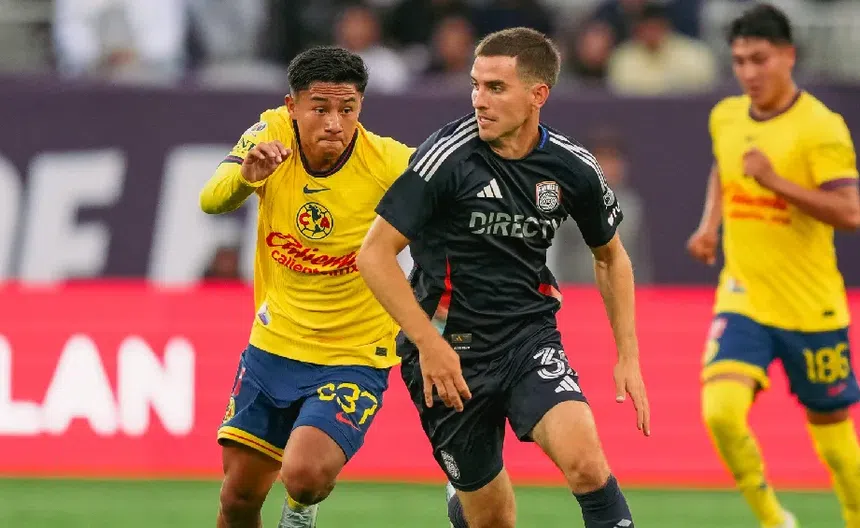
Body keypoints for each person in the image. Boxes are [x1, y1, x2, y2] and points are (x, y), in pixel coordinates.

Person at [357, 27, 650, 528]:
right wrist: (428, 344)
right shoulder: (446, 157)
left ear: (538, 95)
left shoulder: (572, 167)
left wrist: (628, 354)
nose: (479, 100)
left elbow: (611, 257)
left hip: (527, 339)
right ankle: (463, 496)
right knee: (493, 519)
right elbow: (374, 255)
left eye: (496, 88)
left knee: (586, 465)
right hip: (448, 352)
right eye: (475, 85)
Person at [199, 46, 413, 528]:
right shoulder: (271, 135)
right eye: (320, 109)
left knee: (304, 474)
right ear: (292, 106)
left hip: (354, 353)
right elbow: (211, 200)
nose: (335, 123)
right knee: (237, 499)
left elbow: (453, 206)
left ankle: (300, 511)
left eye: (347, 109)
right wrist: (245, 177)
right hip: (274, 345)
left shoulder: (390, 162)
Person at [686, 4, 860, 528]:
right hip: (744, 296)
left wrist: (775, 182)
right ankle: (773, 520)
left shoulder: (821, 128)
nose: (748, 72)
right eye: (739, 61)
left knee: (834, 442)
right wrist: (709, 225)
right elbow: (725, 166)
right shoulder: (727, 115)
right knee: (720, 412)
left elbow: (850, 212)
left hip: (810, 307)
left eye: (759, 59)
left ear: (788, 56)